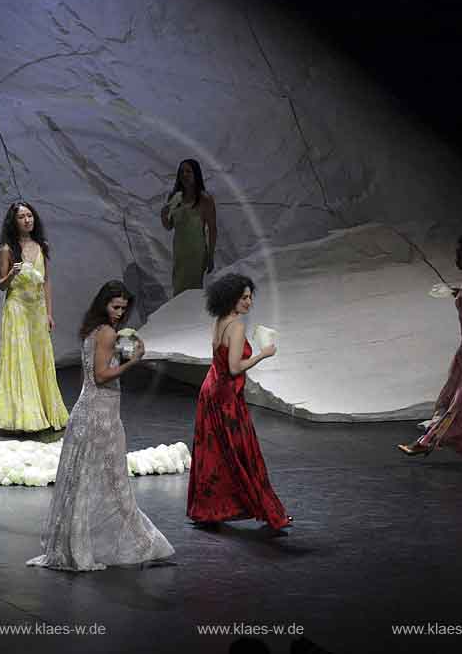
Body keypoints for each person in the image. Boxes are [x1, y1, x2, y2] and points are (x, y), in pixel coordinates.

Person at [27, 281, 174, 571]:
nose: (119, 312)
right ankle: (134, 543)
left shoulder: (93, 330)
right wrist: (133, 361)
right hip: (99, 415)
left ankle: (78, 544)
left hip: (87, 412)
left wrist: (124, 352)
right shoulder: (106, 332)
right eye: (115, 306)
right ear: (103, 304)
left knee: (83, 484)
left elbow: (101, 365)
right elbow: (102, 375)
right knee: (113, 483)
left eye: (123, 307)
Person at [186, 273, 291, 531]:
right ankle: (266, 510)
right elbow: (234, 368)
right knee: (244, 453)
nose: (249, 302)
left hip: (211, 390)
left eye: (250, 296)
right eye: (244, 297)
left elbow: (220, 362)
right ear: (232, 298)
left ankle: (210, 510)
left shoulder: (220, 321)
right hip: (226, 397)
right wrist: (263, 354)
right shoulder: (237, 326)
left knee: (215, 453)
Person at [398, 233, 462, 461]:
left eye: (460, 253)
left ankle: (427, 442)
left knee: (459, 400)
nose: (456, 257)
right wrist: (460, 295)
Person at [0, 201, 69, 432]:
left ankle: (46, 411)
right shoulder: (7, 249)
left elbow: (46, 281)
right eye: (22, 217)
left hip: (37, 310)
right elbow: (0, 285)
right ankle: (24, 416)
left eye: (30, 216)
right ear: (13, 222)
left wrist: (49, 313)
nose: (27, 220)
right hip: (17, 309)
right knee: (20, 360)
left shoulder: (41, 246)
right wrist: (12, 274)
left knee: (39, 359)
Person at [160, 159, 217, 295]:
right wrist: (163, 215)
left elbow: (213, 229)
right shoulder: (175, 197)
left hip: (196, 253)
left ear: (196, 174)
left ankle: (192, 316)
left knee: (192, 291)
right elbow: (169, 226)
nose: (184, 175)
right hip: (179, 252)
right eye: (181, 172)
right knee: (178, 289)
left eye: (188, 171)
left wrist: (210, 256)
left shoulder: (205, 199)